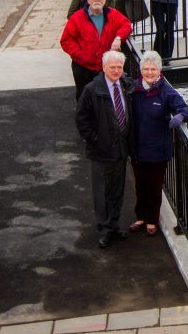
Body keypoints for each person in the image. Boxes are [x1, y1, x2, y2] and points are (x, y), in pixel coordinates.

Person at [75, 50, 135, 248]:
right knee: (101, 191)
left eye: (119, 67)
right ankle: (104, 228)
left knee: (117, 188)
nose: (116, 71)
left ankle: (114, 222)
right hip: (101, 151)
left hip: (120, 148)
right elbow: (81, 119)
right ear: (104, 68)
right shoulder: (92, 90)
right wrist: (95, 139)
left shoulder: (125, 86)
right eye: (112, 67)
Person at [128, 50, 188, 237]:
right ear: (141, 71)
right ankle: (140, 216)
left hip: (158, 147)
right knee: (140, 183)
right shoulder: (134, 88)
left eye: (153, 69)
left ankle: (152, 219)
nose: (149, 73)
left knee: (154, 185)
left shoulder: (166, 91)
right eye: (146, 69)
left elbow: (185, 108)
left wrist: (179, 116)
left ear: (159, 70)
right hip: (138, 146)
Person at [60, 0, 132, 101]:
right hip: (82, 67)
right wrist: (80, 55)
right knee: (84, 97)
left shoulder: (113, 14)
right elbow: (66, 40)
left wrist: (118, 38)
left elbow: (126, 25)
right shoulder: (77, 17)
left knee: (104, 98)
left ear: (105, 0)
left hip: (104, 67)